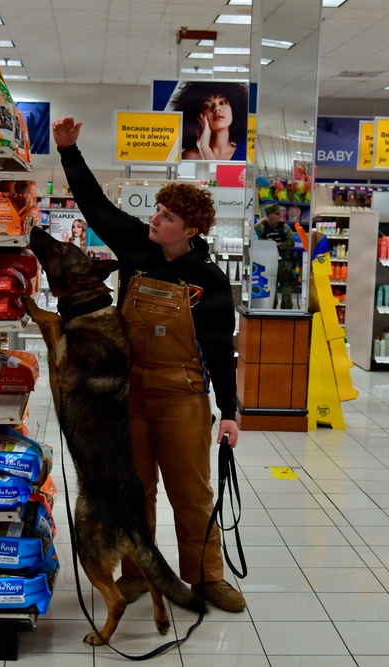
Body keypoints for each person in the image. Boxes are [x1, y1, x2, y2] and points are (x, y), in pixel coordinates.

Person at [52, 115, 246, 613]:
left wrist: (229, 411)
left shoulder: (210, 280)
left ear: (191, 230)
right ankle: (138, 573)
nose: (156, 220)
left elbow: (220, 348)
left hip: (183, 397)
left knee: (192, 493)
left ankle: (207, 577)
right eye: (157, 211)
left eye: (168, 217)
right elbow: (94, 205)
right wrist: (69, 150)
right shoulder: (136, 245)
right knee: (134, 490)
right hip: (129, 393)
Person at [169, 81, 249, 162]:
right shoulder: (187, 157)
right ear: (197, 116)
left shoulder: (245, 155)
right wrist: (203, 147)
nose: (216, 108)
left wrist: (205, 148)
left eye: (222, 102)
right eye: (207, 106)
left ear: (233, 109)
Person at [253, 204, 297, 309]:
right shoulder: (262, 228)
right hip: (268, 262)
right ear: (269, 215)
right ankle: (271, 309)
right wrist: (266, 241)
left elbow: (291, 243)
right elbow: (253, 236)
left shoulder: (284, 227)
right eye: (276, 214)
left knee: (286, 288)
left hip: (284, 262)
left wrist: (277, 244)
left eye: (279, 213)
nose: (279, 215)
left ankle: (286, 311)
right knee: (270, 288)